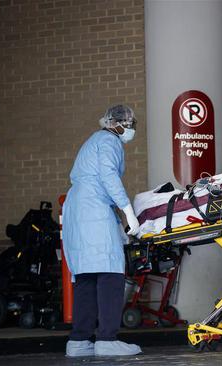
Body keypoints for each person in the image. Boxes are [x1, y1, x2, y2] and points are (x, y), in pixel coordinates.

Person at [63, 105, 142, 357]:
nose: (130, 128)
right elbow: (108, 177)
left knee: (86, 276)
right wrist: (128, 211)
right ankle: (107, 338)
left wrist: (118, 224)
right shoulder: (109, 141)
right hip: (94, 210)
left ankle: (79, 340)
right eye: (128, 123)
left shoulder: (92, 141)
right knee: (110, 274)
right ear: (116, 124)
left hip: (77, 211)